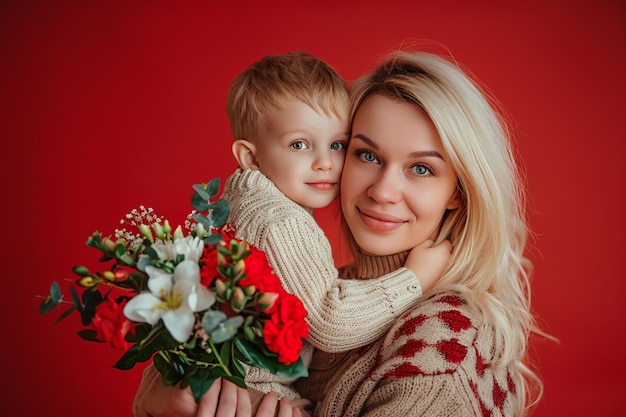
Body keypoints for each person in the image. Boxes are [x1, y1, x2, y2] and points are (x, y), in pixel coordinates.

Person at [132, 51, 452, 416]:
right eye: (299, 144)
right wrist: (415, 278)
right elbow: (329, 322)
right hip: (251, 392)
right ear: (250, 157)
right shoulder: (280, 220)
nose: (325, 162)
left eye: (338, 145)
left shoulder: (239, 205)